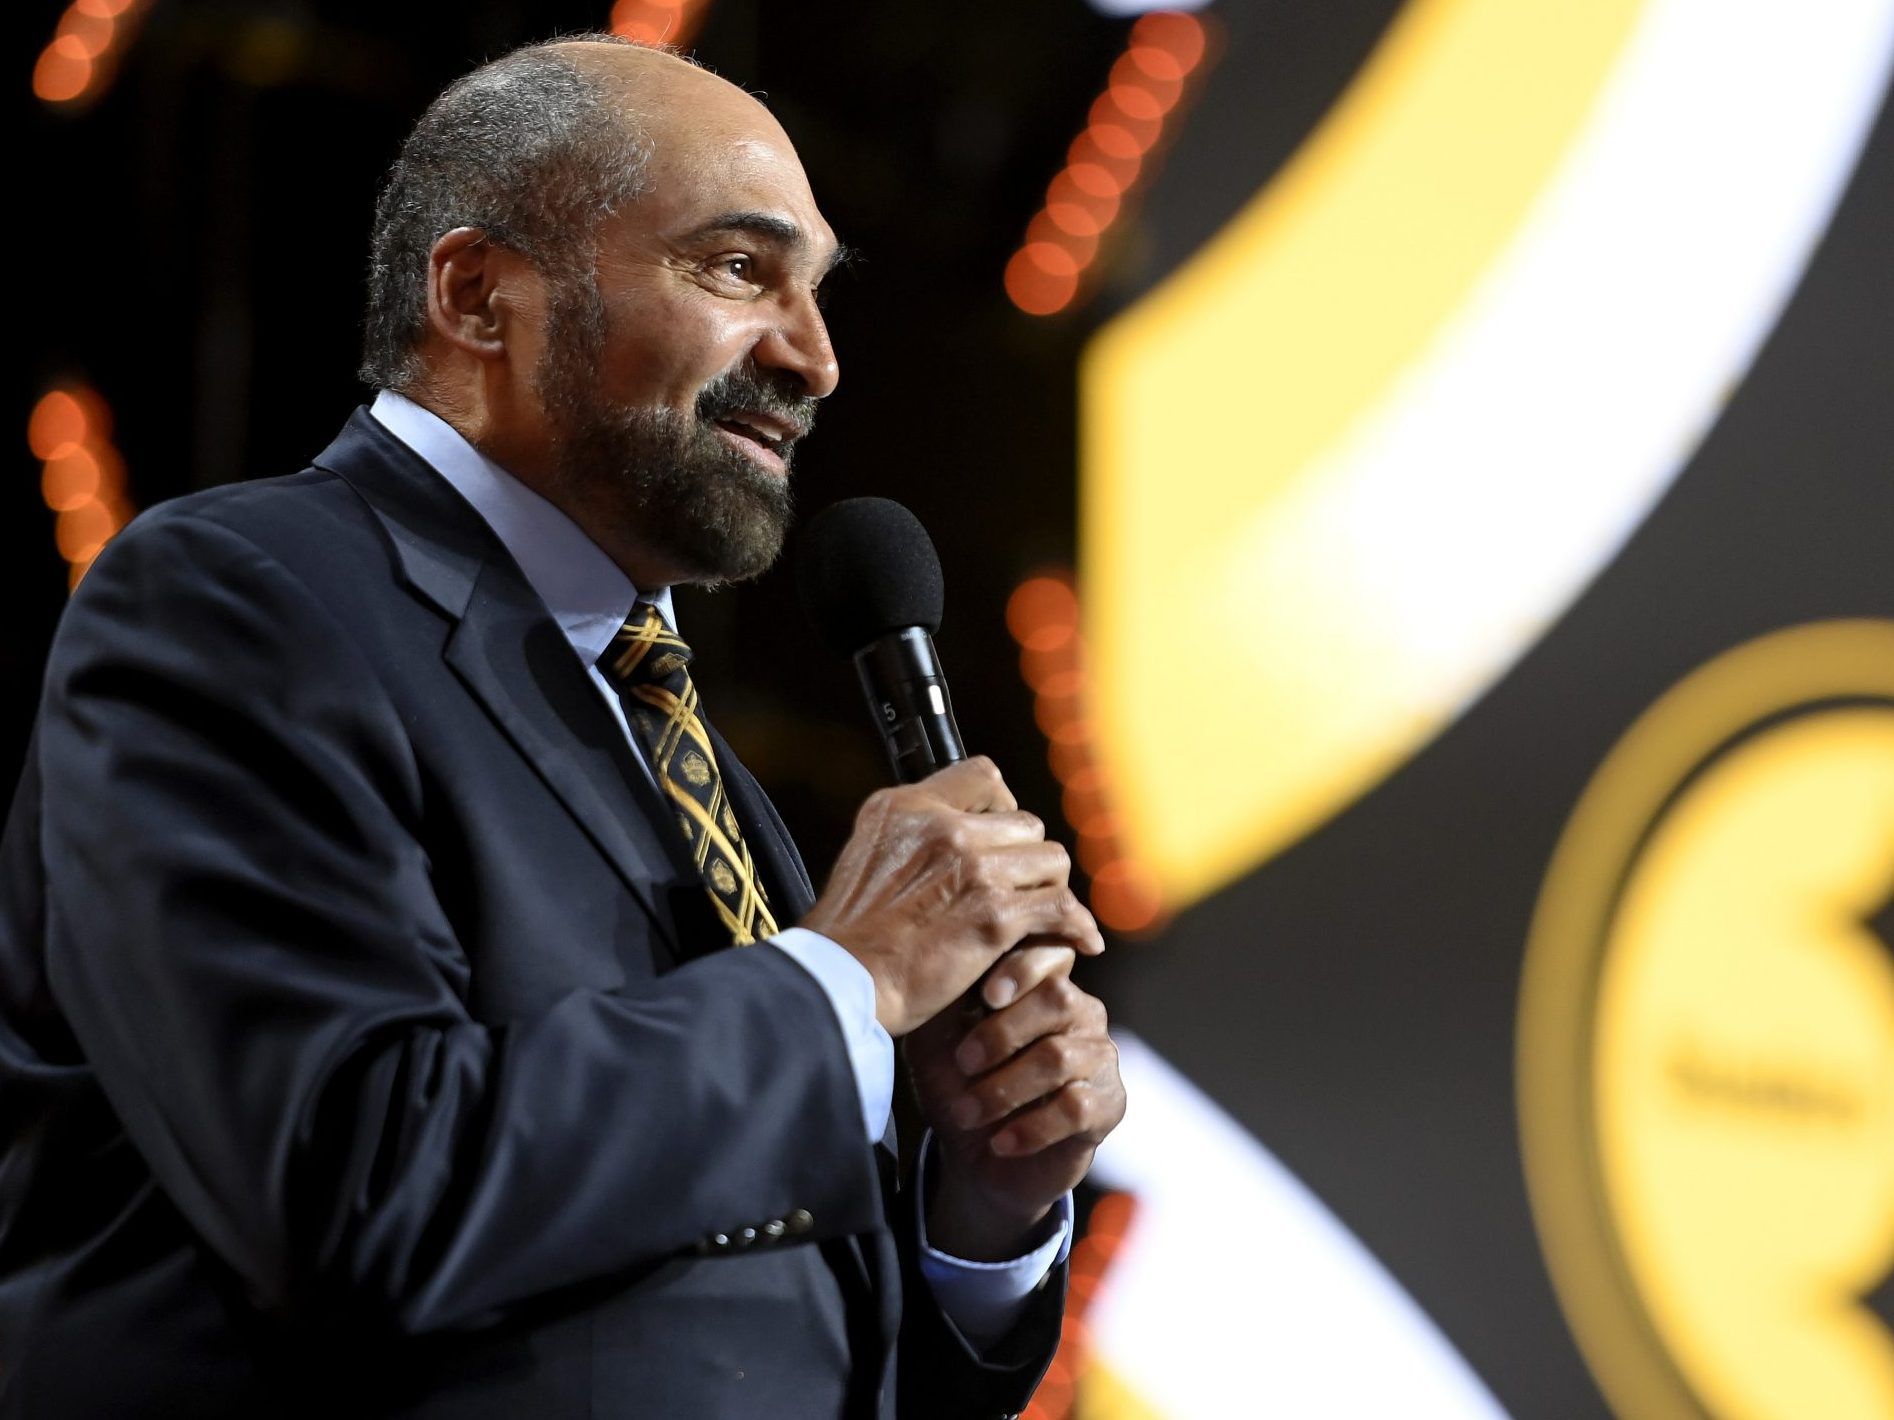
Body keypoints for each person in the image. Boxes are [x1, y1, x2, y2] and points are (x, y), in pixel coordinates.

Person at [0, 36, 1125, 1419]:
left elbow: (735, 1321)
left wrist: (980, 1212)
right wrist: (844, 985)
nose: (816, 359)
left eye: (818, 292)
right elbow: (354, 1187)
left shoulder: (651, 704)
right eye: (736, 268)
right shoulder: (238, 598)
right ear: (479, 294)